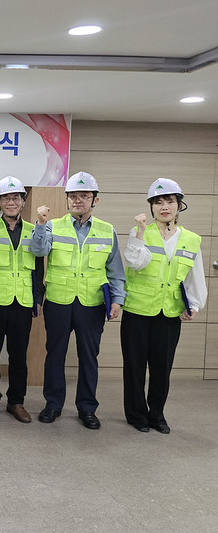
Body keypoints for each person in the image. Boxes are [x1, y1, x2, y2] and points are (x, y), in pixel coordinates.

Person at [31, 171, 125, 430]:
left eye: (84, 196)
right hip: (58, 301)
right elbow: (38, 250)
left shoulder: (107, 231)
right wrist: (40, 224)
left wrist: (117, 299)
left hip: (91, 303)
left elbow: (115, 270)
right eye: (73, 196)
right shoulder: (52, 226)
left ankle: (87, 408)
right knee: (55, 354)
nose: (78, 200)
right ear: (67, 200)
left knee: (89, 356)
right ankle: (53, 404)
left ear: (95, 200)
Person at [121, 178, 207, 434]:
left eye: (169, 201)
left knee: (162, 367)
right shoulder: (139, 232)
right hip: (137, 310)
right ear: (151, 207)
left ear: (179, 205)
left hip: (169, 312)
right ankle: (137, 414)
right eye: (158, 202)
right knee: (134, 366)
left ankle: (156, 415)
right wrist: (139, 232)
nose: (164, 207)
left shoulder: (191, 240)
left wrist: (194, 305)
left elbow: (194, 276)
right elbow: (135, 263)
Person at [0, 176, 44, 423]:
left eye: (16, 198)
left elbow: (39, 265)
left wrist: (38, 297)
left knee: (18, 355)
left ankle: (16, 401)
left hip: (22, 300)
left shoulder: (34, 229)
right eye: (6, 198)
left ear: (23, 201)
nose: (11, 202)